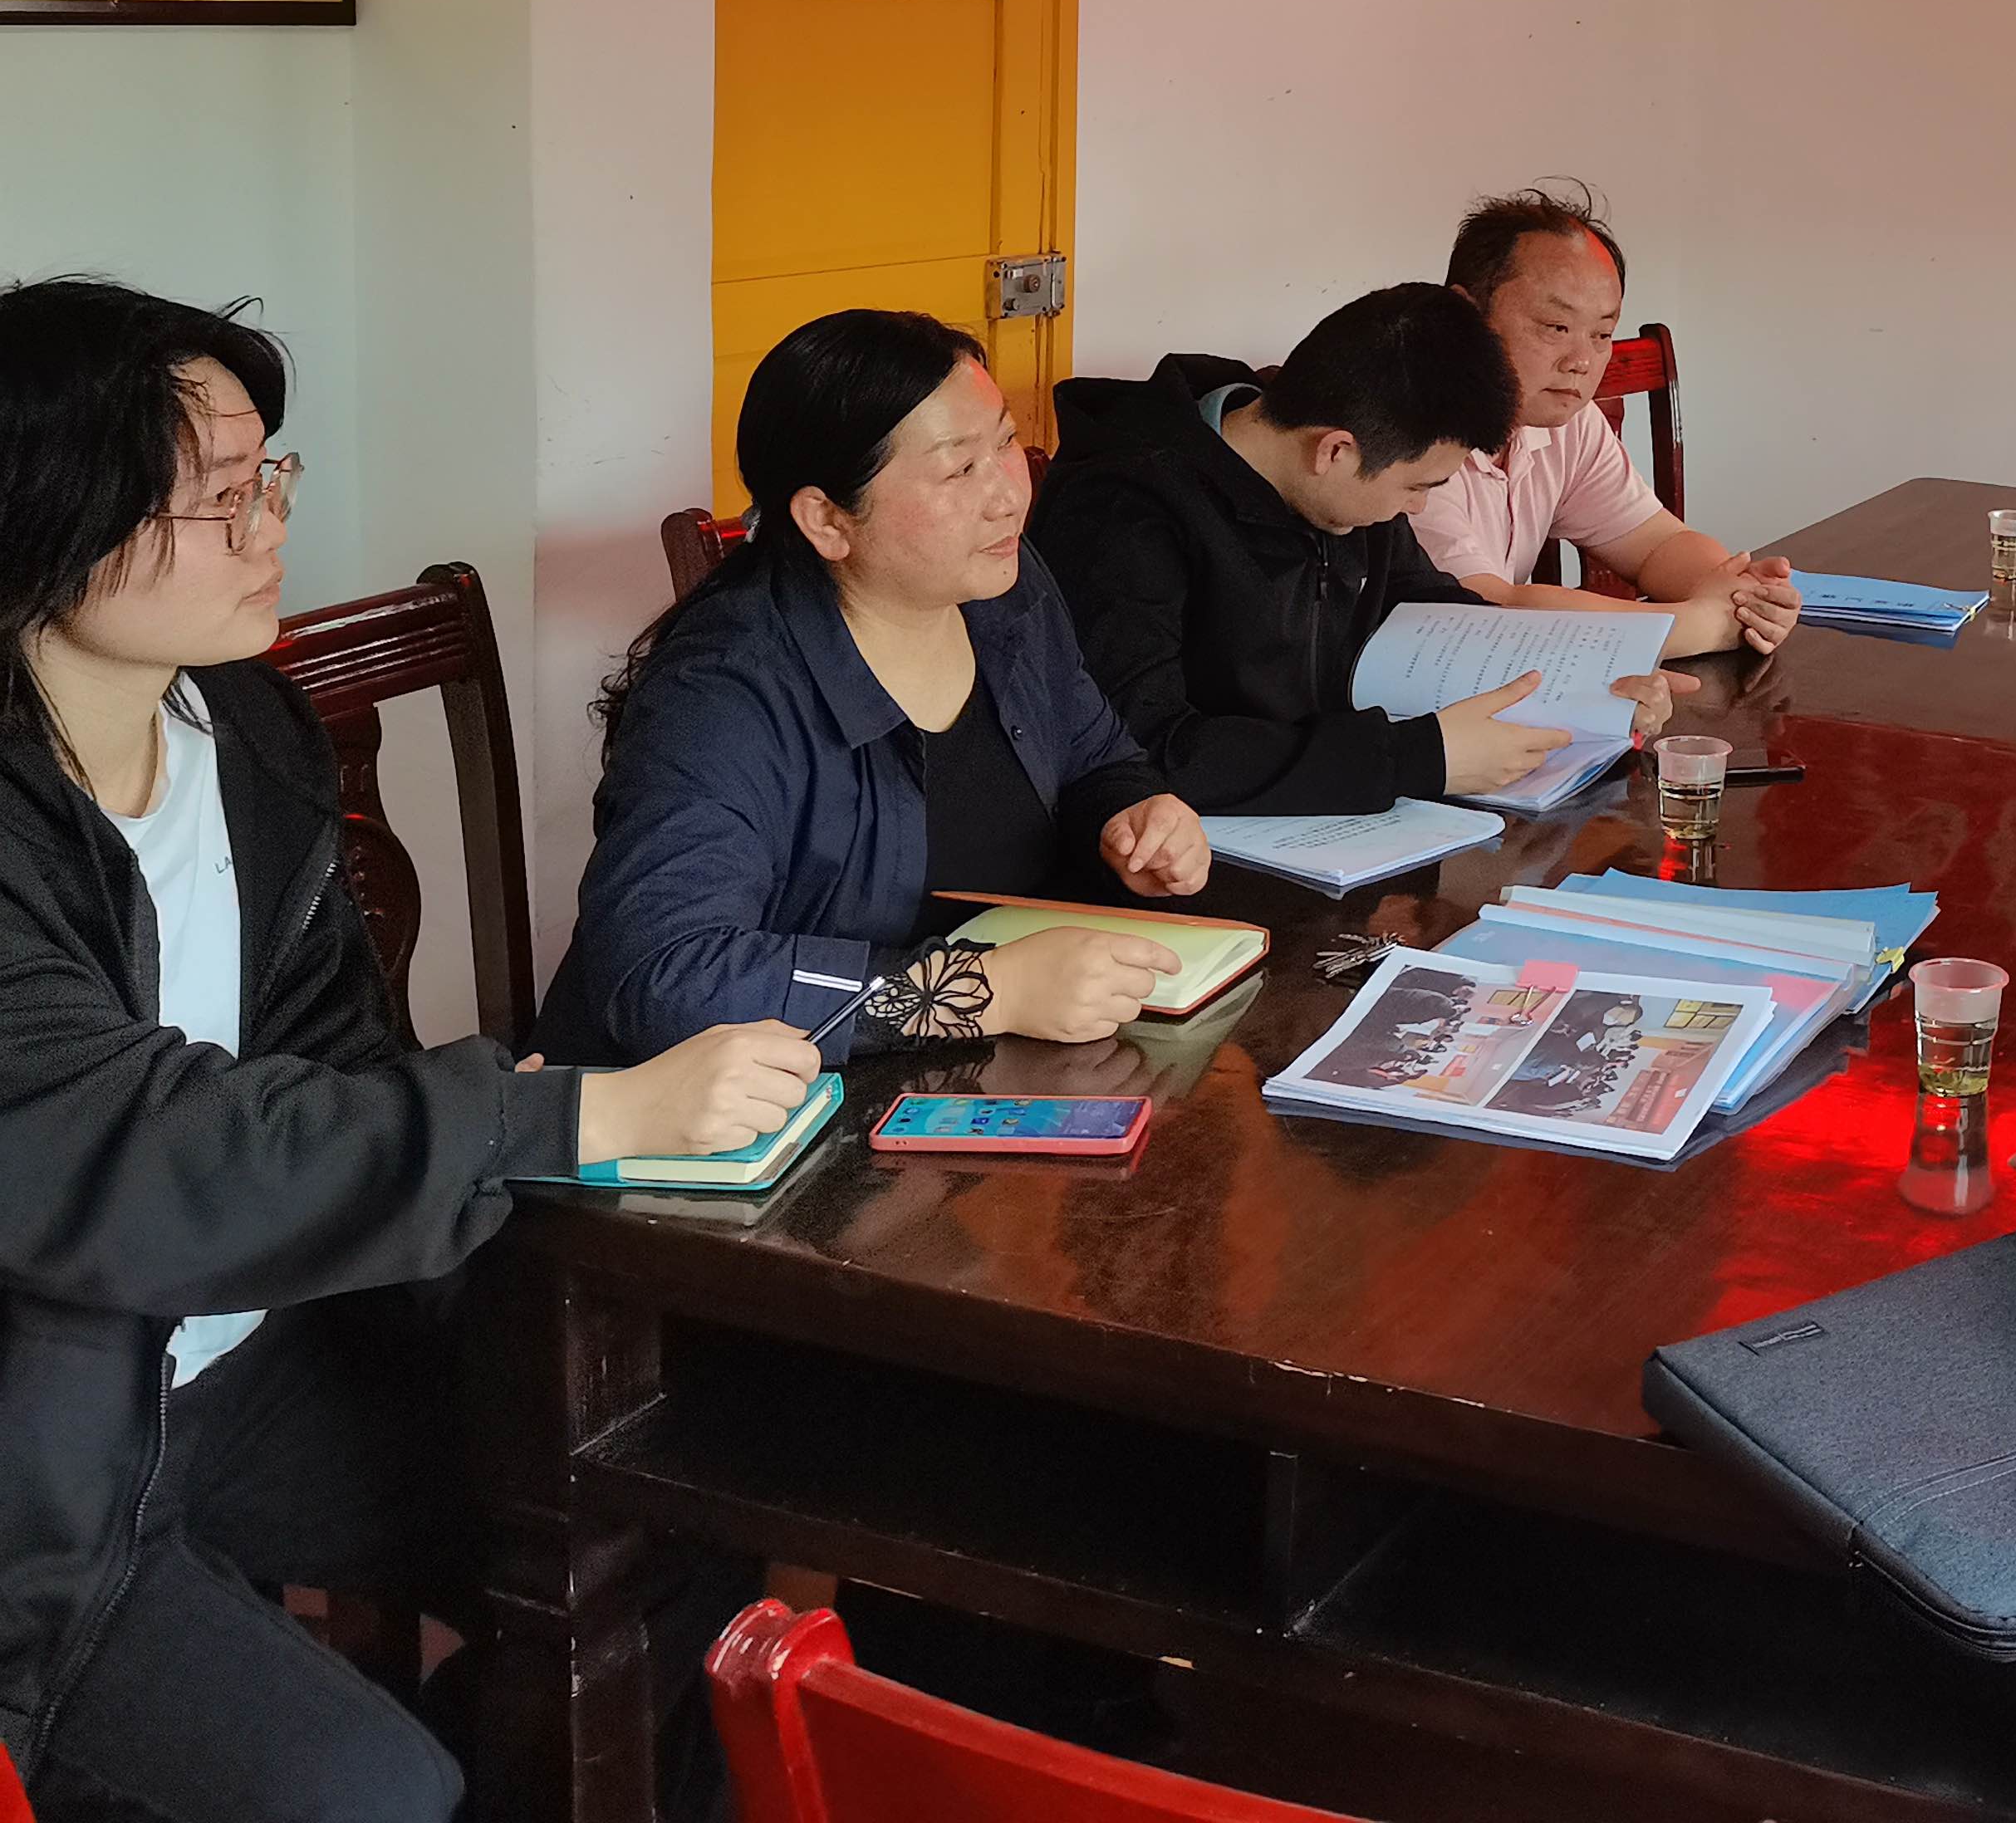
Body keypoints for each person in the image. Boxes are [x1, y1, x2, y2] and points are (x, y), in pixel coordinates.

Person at [0, 278, 817, 1823]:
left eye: (270, 478)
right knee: (365, 1790)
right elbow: (132, 1142)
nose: (270, 526)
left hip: (251, 1357)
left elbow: (327, 1049)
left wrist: (506, 1181)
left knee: (666, 1523)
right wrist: (553, 1119)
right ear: (44, 517)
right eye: (218, 498)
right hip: (46, 1445)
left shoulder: (242, 728)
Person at [536, 309, 1210, 1071]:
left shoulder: (1000, 590)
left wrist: (1133, 816)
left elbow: (1096, 758)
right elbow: (666, 976)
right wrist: (984, 990)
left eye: (1004, 444)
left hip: (966, 1081)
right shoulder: (721, 695)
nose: (1007, 497)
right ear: (827, 519)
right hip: (738, 1118)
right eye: (959, 470)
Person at [1033, 282, 1687, 817]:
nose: (1417, 509)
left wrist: (1590, 688)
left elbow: (1430, 613)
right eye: (1417, 487)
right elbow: (1144, 746)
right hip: (1195, 857)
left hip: (1348, 822)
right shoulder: (1120, 513)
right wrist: (1413, 759)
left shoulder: (1347, 480)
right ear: (1334, 451)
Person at [1410, 188, 1802, 656]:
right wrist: (1697, 625)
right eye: (1556, 327)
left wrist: (1742, 597)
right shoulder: (1409, 430)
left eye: (1601, 334)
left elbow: (1657, 543)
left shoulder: (1565, 420)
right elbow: (1485, 611)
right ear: (1465, 315)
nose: (1581, 362)